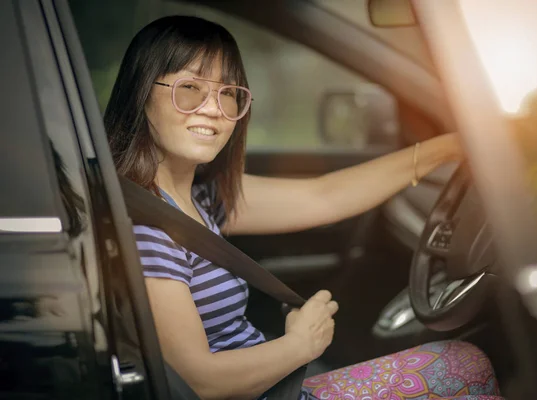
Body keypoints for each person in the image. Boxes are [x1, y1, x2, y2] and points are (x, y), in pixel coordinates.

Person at [105, 15, 502, 400]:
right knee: (464, 367)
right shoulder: (149, 229)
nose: (214, 109)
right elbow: (201, 382)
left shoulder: (199, 198)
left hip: (271, 385)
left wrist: (448, 148)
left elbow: (324, 195)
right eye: (190, 88)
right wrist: (300, 344)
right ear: (143, 93)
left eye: (228, 93)